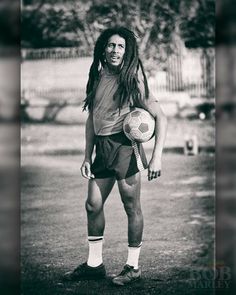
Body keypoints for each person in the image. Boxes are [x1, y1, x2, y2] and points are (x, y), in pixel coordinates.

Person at [63, 27, 167, 286]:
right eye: (111, 45)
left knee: (131, 207)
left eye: (120, 46)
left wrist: (156, 157)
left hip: (124, 147)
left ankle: (133, 267)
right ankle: (94, 264)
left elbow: (161, 117)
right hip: (102, 149)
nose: (115, 50)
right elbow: (92, 120)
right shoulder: (97, 77)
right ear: (103, 48)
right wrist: (87, 155)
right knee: (92, 205)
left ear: (127, 51)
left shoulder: (132, 80)